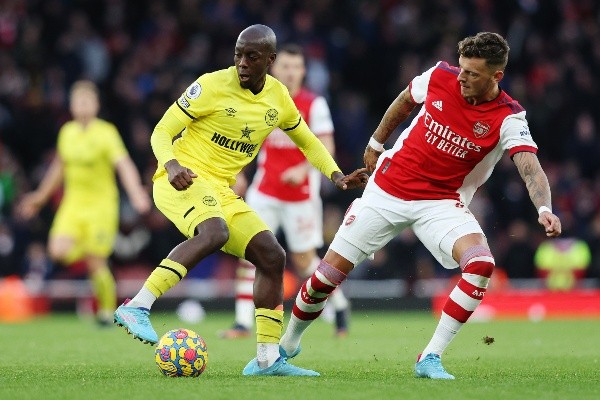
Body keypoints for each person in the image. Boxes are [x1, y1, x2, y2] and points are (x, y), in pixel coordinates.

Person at [278, 32, 562, 379]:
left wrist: (543, 209)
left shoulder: (509, 117)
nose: (462, 78)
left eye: (472, 73)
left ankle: (429, 357)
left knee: (481, 265)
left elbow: (529, 167)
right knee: (325, 277)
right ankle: (287, 347)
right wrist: (376, 140)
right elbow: (405, 99)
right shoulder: (441, 75)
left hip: (440, 202)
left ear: (496, 76)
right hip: (387, 189)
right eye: (462, 69)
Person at [112, 24, 367, 377]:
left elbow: (307, 140)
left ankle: (266, 360)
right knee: (213, 233)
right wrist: (170, 165)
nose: (242, 63)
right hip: (182, 179)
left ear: (270, 61)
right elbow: (161, 131)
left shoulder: (278, 97)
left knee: (272, 256)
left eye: (252, 56)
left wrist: (336, 175)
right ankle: (137, 306)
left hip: (221, 189)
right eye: (238, 54)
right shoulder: (211, 85)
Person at [220, 44, 350, 340]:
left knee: (305, 261)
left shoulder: (314, 103)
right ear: (273, 68)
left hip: (301, 197)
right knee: (247, 255)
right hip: (264, 192)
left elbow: (326, 147)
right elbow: (240, 142)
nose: (290, 73)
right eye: (285, 67)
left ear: (303, 71)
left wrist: (303, 170)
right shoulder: (260, 100)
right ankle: (242, 323)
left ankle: (340, 306)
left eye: (296, 67)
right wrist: (236, 174)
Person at [19, 80, 151, 326]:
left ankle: (106, 310)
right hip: (73, 204)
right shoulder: (67, 132)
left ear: (96, 104)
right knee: (57, 251)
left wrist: (136, 194)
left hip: (101, 205)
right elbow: (58, 168)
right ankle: (92, 253)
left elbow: (123, 164)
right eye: (78, 101)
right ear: (71, 105)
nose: (82, 105)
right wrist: (39, 197)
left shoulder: (106, 132)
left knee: (95, 261)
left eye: (87, 101)